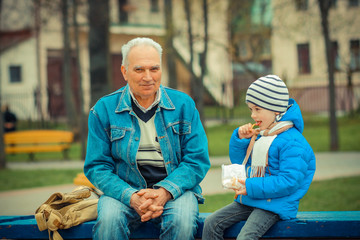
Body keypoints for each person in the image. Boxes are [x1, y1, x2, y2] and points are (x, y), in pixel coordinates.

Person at [84, 37, 210, 240]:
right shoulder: (103, 110)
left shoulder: (184, 105)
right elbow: (97, 167)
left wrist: (165, 192)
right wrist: (131, 196)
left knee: (182, 221)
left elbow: (197, 161)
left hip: (176, 191)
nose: (148, 77)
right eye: (139, 69)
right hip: (123, 191)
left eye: (154, 69)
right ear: (124, 71)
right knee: (108, 222)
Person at [202, 75, 316, 240]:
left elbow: (289, 181)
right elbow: (242, 163)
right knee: (211, 223)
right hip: (252, 198)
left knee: (246, 236)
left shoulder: (293, 142)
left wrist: (250, 186)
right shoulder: (263, 135)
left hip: (275, 204)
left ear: (276, 109)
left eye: (257, 109)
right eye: (251, 110)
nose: (253, 115)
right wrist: (242, 140)